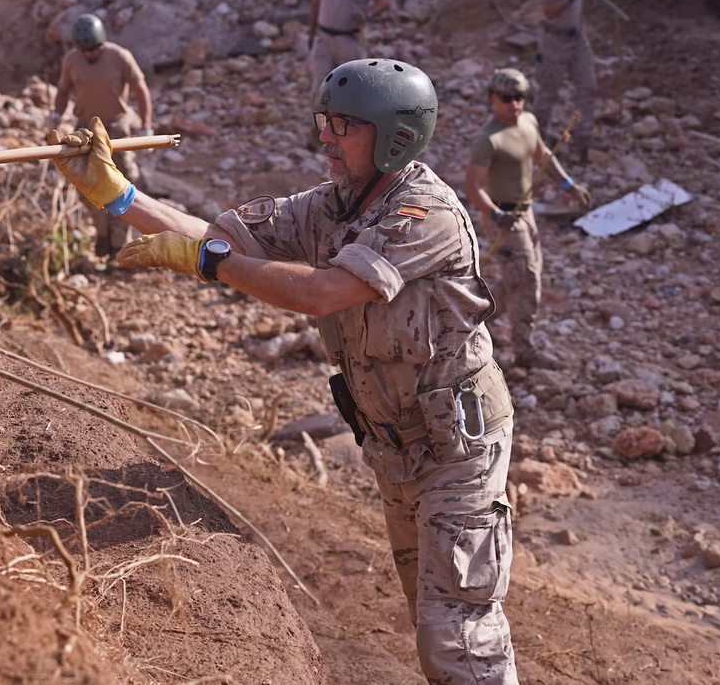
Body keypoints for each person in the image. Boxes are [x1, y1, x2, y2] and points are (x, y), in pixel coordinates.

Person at [48, 58, 519, 684]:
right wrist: (119, 195)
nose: (326, 137)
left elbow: (320, 293)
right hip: (399, 448)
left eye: (344, 125)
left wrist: (210, 263)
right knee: (433, 615)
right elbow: (221, 235)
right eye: (325, 121)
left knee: (456, 637)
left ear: (395, 137)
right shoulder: (334, 204)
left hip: (457, 450)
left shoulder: (423, 214)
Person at [464, 68, 591, 370]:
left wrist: (568, 185)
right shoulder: (488, 139)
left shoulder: (529, 121)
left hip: (526, 210)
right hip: (503, 215)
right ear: (493, 99)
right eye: (507, 98)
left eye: (520, 97)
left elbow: (542, 155)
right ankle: (524, 349)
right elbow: (472, 187)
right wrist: (495, 214)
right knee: (527, 280)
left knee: (518, 277)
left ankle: (474, 321)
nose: (515, 104)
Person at [54, 13, 153, 258]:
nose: (90, 55)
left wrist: (146, 127)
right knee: (86, 183)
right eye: (85, 51)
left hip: (115, 128)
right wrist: (56, 115)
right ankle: (103, 234)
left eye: (94, 50)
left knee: (124, 183)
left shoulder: (119, 57)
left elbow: (140, 89)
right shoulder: (72, 60)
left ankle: (120, 244)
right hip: (85, 130)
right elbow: (63, 91)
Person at [534, 0, 597, 162]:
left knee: (588, 87)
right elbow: (550, 11)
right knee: (548, 92)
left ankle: (583, 143)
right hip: (554, 40)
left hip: (577, 36)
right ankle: (537, 142)